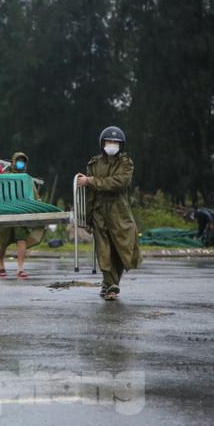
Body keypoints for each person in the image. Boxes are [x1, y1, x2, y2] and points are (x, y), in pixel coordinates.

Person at [76, 126, 142, 300]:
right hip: (99, 210)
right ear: (102, 143)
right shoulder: (94, 163)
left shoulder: (126, 163)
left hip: (119, 211)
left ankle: (110, 284)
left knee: (122, 248)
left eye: (115, 142)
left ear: (121, 145)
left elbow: (119, 182)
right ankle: (110, 286)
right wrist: (87, 216)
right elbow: (89, 193)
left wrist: (90, 181)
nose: (112, 144)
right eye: (109, 141)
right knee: (103, 249)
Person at [0, 152, 43, 279]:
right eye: (18, 160)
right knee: (3, 242)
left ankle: (20, 268)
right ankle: (1, 265)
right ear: (12, 162)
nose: (20, 163)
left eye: (23, 161)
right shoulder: (4, 176)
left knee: (21, 239)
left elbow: (35, 196)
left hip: (22, 213)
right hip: (6, 213)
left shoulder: (27, 179)